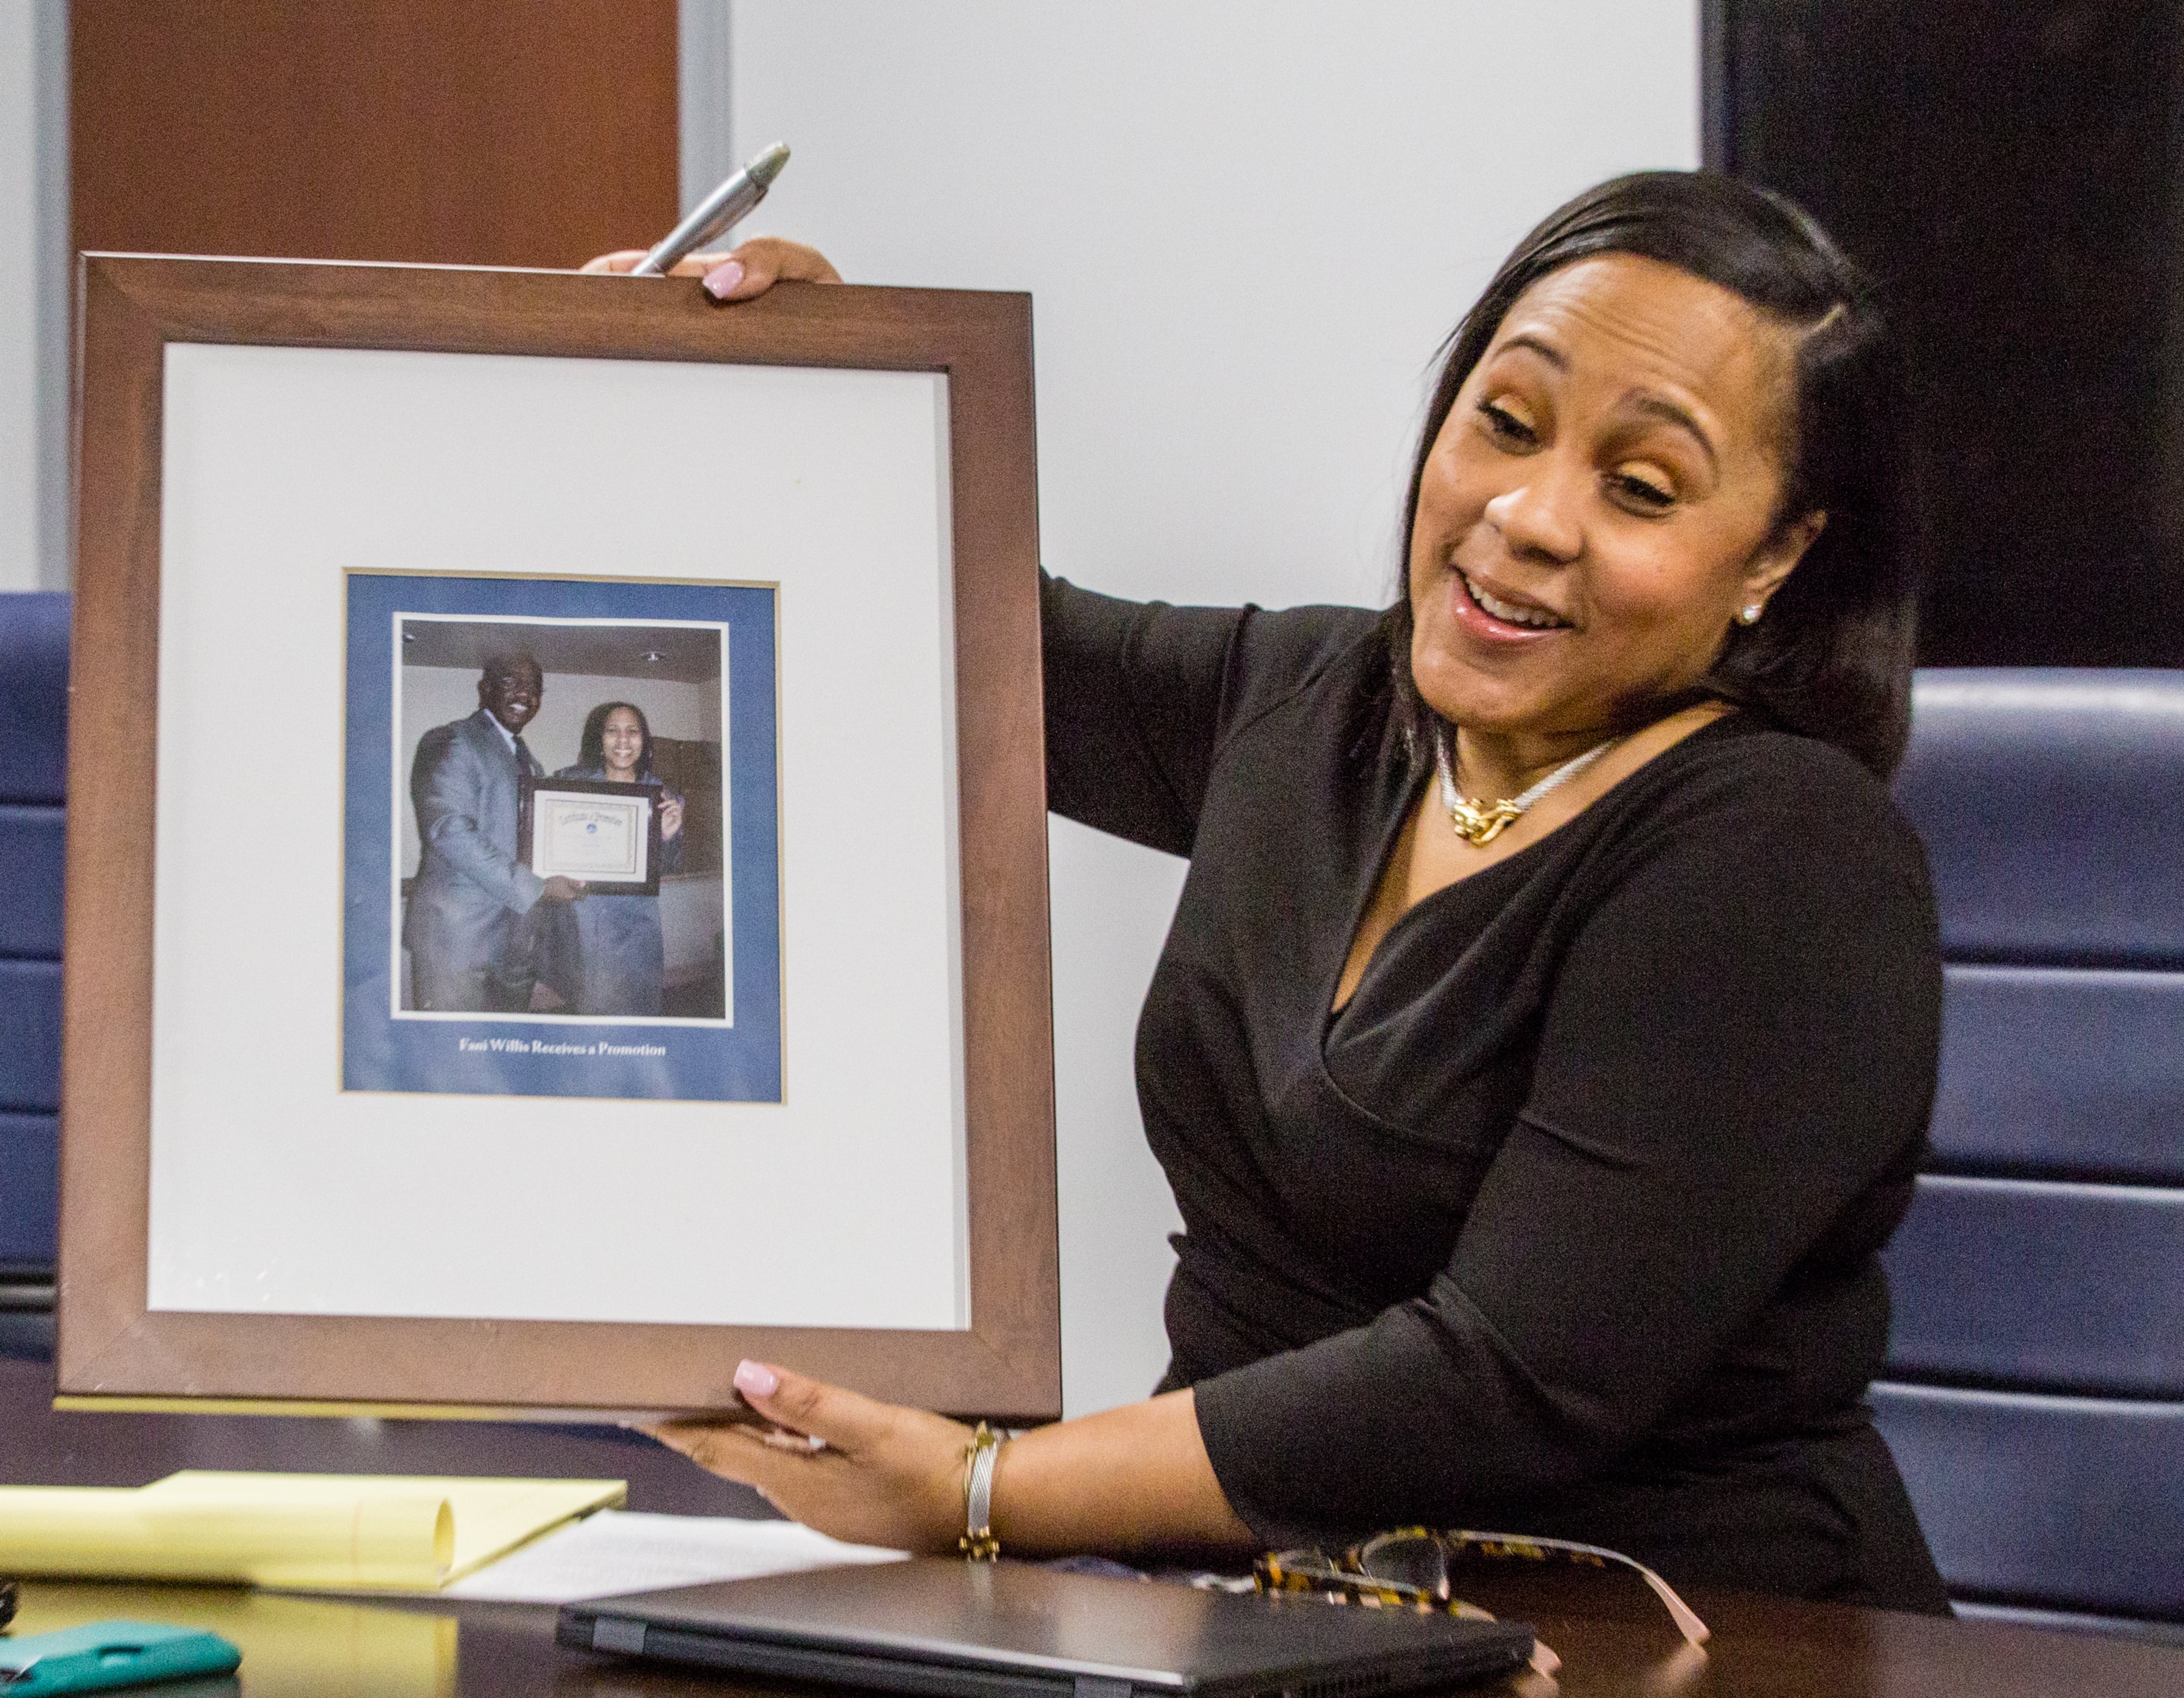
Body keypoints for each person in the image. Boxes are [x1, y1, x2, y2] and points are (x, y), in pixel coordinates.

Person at [593, 171, 1953, 1612]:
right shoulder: (1316, 704)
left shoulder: (1783, 854)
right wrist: (792, 381)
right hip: (1276, 1615)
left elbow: (1501, 1382)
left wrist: (984, 1491)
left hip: (1675, 1626)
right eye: (1503, 421)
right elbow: (938, 627)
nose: (1529, 513)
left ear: (1778, 553)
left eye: (1638, 488)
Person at [405, 650, 585, 1012]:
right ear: (484, 689)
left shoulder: (529, 761)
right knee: (455, 1054)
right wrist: (536, 887)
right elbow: (448, 830)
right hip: (458, 940)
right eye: (510, 683)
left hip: (518, 939)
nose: (524, 695)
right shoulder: (451, 740)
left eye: (534, 688)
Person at [545, 701, 686, 1016]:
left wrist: (667, 836)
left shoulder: (663, 797)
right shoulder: (573, 784)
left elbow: (668, 867)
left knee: (642, 1009)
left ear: (643, 740)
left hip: (639, 922)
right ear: (600, 739)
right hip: (587, 920)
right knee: (593, 1011)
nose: (623, 741)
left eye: (632, 732)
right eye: (613, 731)